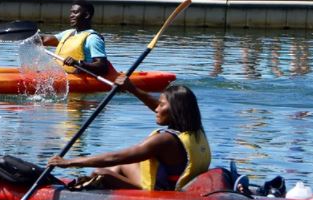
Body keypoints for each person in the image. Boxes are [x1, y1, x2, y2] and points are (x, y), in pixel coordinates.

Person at [48, 78, 211, 191]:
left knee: (101, 173)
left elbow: (115, 157)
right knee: (122, 167)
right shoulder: (194, 130)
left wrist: (69, 162)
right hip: (172, 183)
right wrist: (131, 88)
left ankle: (84, 192)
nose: (156, 109)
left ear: (175, 110)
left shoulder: (165, 140)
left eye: (161, 105)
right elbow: (157, 105)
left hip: (160, 192)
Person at [41, 0, 113, 78]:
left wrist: (79, 63)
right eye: (71, 12)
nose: (71, 16)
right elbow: (45, 40)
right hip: (60, 74)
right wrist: (32, 36)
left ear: (86, 15)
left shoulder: (93, 38)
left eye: (75, 12)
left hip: (80, 77)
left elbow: (103, 67)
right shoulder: (68, 33)